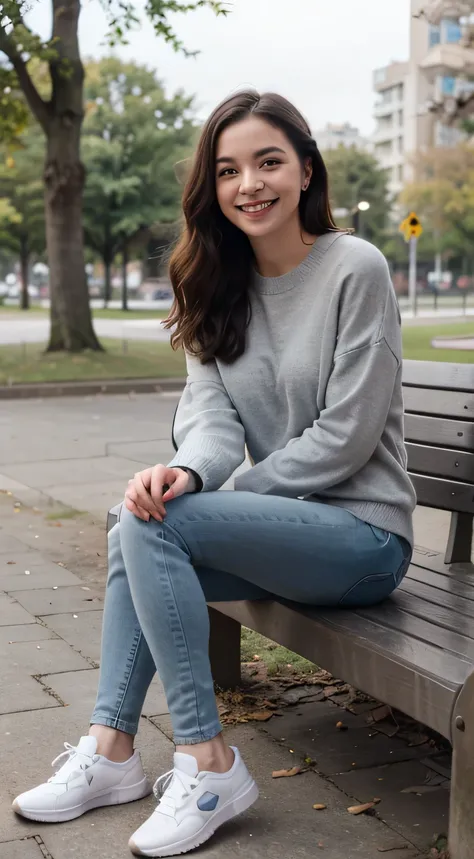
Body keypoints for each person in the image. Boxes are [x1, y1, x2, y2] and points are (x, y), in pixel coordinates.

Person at [12, 90, 416, 857]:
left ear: (305, 169)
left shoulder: (353, 268)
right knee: (145, 512)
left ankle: (206, 759)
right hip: (283, 533)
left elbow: (349, 435)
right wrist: (185, 475)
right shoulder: (212, 280)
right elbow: (211, 417)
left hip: (365, 537)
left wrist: (227, 499)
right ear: (212, 188)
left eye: (268, 162)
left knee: (159, 526)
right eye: (228, 170)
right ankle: (113, 750)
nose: (249, 184)